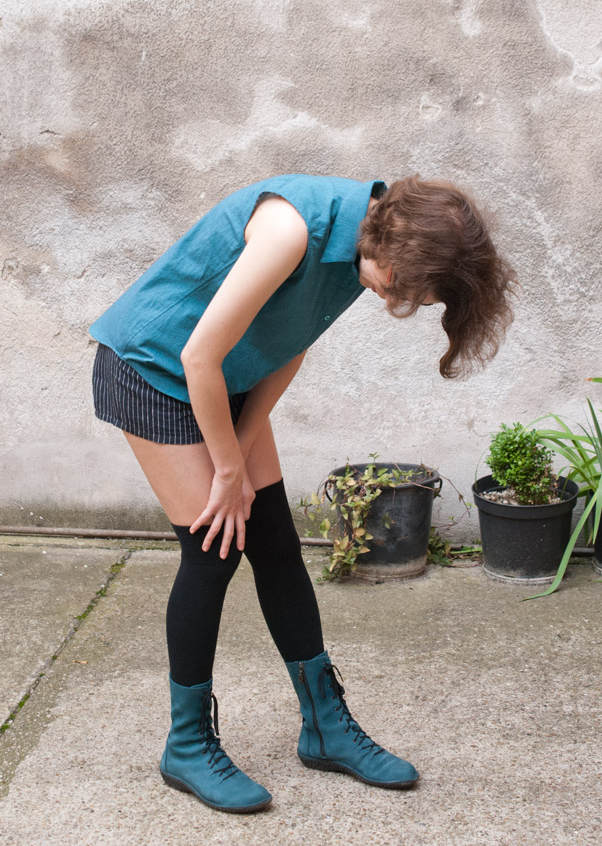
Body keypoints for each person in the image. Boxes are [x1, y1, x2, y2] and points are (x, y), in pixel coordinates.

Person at [90, 172, 515, 814]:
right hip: (154, 368)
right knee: (213, 550)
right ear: (398, 255)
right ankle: (185, 745)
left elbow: (290, 345)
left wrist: (246, 436)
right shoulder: (292, 230)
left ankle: (324, 726)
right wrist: (230, 473)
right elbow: (198, 356)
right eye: (412, 289)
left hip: (224, 375)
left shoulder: (364, 243)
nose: (397, 299)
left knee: (277, 545)